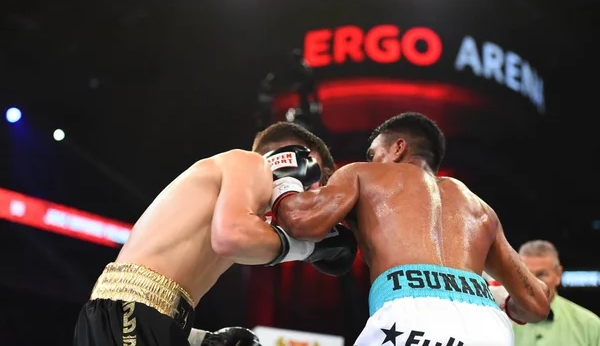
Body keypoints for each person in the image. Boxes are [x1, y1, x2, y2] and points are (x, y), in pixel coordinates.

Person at [273, 112, 551, 346]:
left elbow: (301, 221)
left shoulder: (362, 174)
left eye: (374, 154)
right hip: (490, 330)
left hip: (408, 321)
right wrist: (500, 299)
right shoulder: (480, 208)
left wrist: (284, 180)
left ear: (398, 148)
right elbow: (537, 303)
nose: (371, 161)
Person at [73, 121, 357, 346]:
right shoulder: (248, 163)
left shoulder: (239, 211)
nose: (308, 204)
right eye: (310, 185)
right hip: (130, 313)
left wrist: (198, 339)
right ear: (290, 160)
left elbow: (157, 298)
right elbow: (232, 239)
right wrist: (310, 249)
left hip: (135, 317)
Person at [510, 240, 600, 345]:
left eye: (542, 274)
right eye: (526, 274)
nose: (533, 282)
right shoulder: (501, 321)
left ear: (558, 274)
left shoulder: (590, 325)